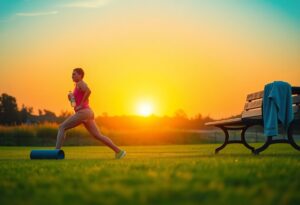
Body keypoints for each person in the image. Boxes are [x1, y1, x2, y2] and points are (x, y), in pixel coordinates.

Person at [55, 68, 126, 159]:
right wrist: (71, 98)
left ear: (80, 75)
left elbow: (88, 91)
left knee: (62, 127)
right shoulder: (77, 86)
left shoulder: (81, 83)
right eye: (72, 74)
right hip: (88, 112)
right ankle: (119, 152)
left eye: (74, 74)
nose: (72, 76)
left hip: (84, 112)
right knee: (97, 135)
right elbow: (75, 104)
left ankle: (56, 153)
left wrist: (80, 105)